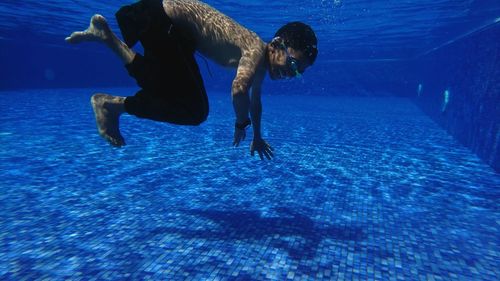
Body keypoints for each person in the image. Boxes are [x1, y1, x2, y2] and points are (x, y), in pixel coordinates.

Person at [65, 0, 318, 160]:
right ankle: (109, 103)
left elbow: (255, 100)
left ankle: (104, 38)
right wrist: (241, 124)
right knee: (194, 109)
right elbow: (239, 89)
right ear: (276, 45)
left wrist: (257, 136)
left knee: (173, 89)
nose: (291, 74)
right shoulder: (254, 49)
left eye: (298, 72)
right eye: (293, 64)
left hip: (168, 23)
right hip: (160, 18)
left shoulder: (263, 63)